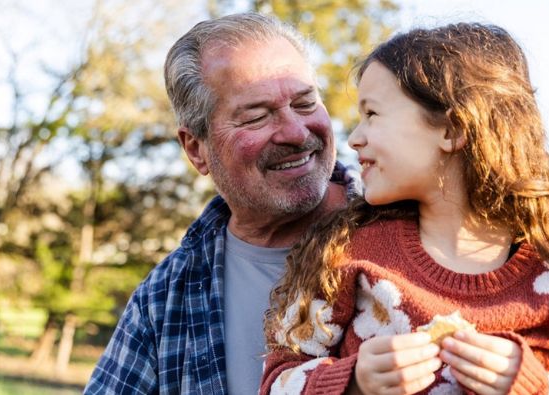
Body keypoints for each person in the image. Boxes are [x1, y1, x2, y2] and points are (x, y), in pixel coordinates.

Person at [260, 22, 549, 395]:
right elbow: (276, 381)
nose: (355, 138)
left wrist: (536, 387)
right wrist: (353, 381)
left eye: (373, 115)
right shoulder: (347, 251)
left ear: (451, 131)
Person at [84, 12, 357, 394]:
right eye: (257, 117)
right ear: (197, 150)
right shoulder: (165, 299)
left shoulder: (416, 226)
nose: (296, 132)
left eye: (306, 102)